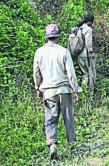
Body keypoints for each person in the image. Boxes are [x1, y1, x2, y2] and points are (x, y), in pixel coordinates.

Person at [33, 24, 82, 159]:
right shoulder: (63, 51)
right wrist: (75, 89)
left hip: (48, 91)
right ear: (59, 36)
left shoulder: (39, 52)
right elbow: (71, 72)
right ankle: (72, 143)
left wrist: (38, 88)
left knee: (51, 118)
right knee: (68, 118)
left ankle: (52, 143)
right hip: (64, 90)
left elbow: (36, 73)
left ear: (47, 36)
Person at [75, 13, 96, 91]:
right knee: (90, 73)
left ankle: (83, 91)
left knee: (85, 73)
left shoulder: (79, 28)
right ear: (90, 22)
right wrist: (91, 52)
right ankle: (90, 91)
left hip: (78, 55)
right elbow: (88, 42)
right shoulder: (88, 29)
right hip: (86, 55)